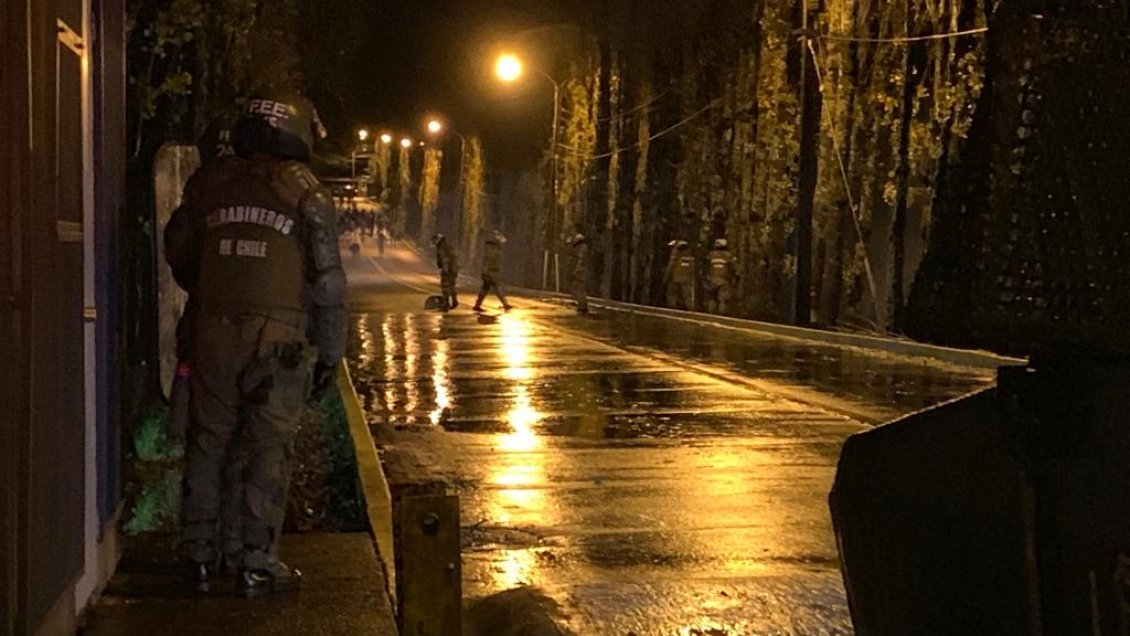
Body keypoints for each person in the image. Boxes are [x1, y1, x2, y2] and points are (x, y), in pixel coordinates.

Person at [165, 92, 344, 597]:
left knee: (208, 440)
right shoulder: (308, 195)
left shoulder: (211, 184)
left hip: (212, 332)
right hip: (279, 340)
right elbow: (328, 285)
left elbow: (178, 251)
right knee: (269, 447)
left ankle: (199, 556)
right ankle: (257, 562)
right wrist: (330, 352)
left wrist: (214, 288)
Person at [474, 230, 512, 312]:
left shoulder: (491, 249)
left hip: (490, 272)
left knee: (485, 289)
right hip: (491, 272)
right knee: (497, 288)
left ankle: (477, 305)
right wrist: (486, 272)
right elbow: (489, 261)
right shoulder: (492, 250)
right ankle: (505, 304)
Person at [706, 238, 737, 314]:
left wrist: (707, 276)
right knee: (722, 299)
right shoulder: (729, 255)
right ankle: (721, 315)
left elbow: (705, 266)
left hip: (712, 279)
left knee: (712, 297)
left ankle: (711, 314)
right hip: (724, 279)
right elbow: (734, 267)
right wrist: (734, 277)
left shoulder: (710, 255)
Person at [432, 233, 459, 310]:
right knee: (451, 286)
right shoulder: (448, 246)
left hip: (448, 270)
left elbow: (445, 260)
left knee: (445, 287)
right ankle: (454, 301)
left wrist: (445, 271)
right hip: (453, 269)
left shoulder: (442, 248)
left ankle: (445, 304)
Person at [664, 240, 695, 310]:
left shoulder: (675, 256)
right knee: (687, 296)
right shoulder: (690, 257)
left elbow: (670, 267)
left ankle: (673, 308)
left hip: (675, 278)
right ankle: (690, 309)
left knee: (672, 294)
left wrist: (666, 277)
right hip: (686, 279)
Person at [565, 224, 589, 314]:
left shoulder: (582, 247)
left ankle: (582, 306)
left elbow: (581, 260)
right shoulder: (580, 247)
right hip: (580, 271)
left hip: (580, 272)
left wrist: (576, 271)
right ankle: (582, 305)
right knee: (579, 288)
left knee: (579, 288)